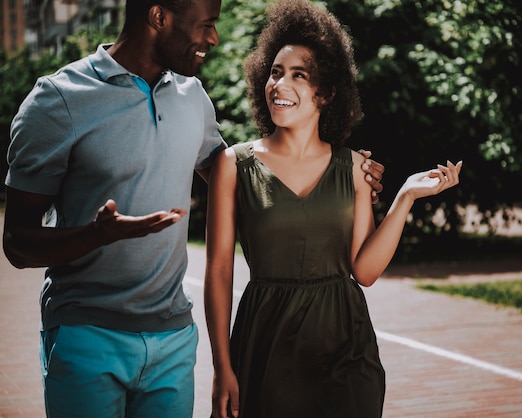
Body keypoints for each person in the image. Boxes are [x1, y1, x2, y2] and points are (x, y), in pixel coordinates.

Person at [2, 0, 386, 416]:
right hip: (87, 332)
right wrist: (96, 235)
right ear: (159, 16)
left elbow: (253, 180)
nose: (213, 38)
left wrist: (347, 181)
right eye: (206, 25)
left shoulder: (192, 97)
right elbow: (17, 244)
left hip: (172, 338)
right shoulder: (58, 98)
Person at [203, 0, 463, 417]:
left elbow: (364, 271)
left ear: (324, 92)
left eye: (298, 76)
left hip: (345, 344)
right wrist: (221, 367)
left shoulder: (357, 168)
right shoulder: (234, 164)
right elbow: (218, 271)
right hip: (266, 341)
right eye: (275, 72)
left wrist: (405, 198)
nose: (279, 84)